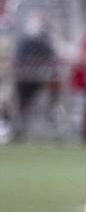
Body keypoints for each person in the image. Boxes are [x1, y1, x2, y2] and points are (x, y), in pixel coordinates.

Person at [11, 12, 59, 141]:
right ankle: (17, 130)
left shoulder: (45, 41)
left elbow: (51, 58)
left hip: (41, 79)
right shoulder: (24, 42)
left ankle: (50, 123)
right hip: (23, 79)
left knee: (53, 92)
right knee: (18, 100)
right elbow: (17, 60)